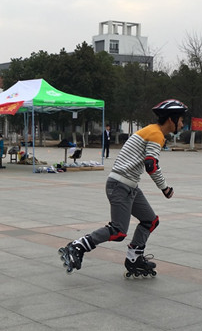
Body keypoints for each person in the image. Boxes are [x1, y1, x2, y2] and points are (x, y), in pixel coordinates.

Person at [58, 99, 187, 277]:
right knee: (118, 231)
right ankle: (77, 246)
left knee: (150, 220)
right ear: (171, 119)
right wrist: (165, 188)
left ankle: (134, 258)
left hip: (129, 185)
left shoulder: (152, 131)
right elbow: (151, 164)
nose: (182, 124)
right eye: (181, 120)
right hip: (120, 185)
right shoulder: (156, 134)